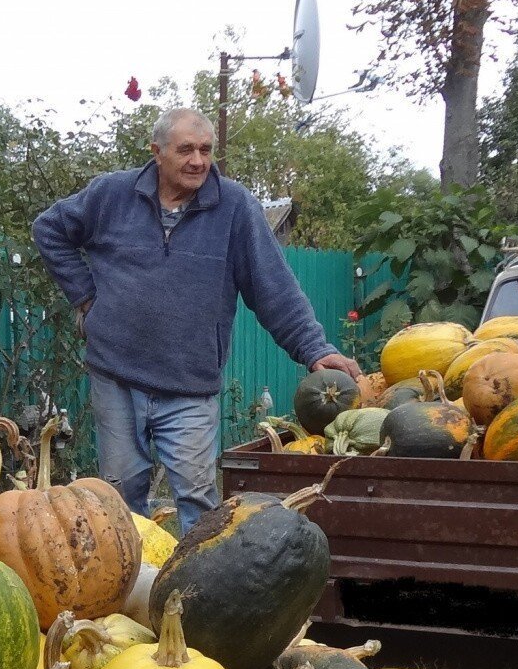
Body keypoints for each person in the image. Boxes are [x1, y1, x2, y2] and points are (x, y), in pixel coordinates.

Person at [32, 107, 361, 533]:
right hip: (116, 374)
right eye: (186, 149)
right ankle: (132, 594)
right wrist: (85, 296)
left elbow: (274, 288)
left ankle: (198, 595)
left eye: (206, 150)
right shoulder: (110, 195)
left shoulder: (235, 207)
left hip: (189, 387)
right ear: (157, 152)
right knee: (121, 499)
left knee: (199, 504)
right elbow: (49, 229)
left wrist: (316, 350)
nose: (198, 161)